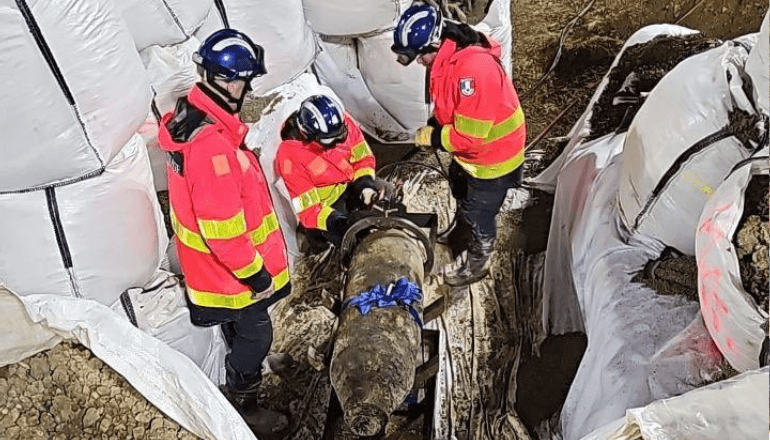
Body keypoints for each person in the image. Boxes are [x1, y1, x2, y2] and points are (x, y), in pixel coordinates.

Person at [157, 28, 290, 436]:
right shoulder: (211, 148)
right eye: (246, 82)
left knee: (243, 329)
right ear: (230, 83)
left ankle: (249, 365)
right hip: (230, 274)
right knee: (256, 332)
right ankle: (245, 402)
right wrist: (257, 274)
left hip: (216, 269)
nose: (248, 91)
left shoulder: (195, 121)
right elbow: (224, 231)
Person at [392, 1, 527, 287]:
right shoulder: (448, 57)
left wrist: (434, 138)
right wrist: (436, 124)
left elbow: (470, 138)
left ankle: (478, 261)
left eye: (420, 56)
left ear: (434, 43)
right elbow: (452, 106)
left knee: (479, 212)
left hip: (494, 160)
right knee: (460, 185)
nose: (419, 62)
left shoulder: (472, 71)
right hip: (475, 156)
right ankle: (461, 234)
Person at [275, 94, 387, 252]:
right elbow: (308, 210)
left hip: (350, 187)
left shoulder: (339, 123)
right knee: (354, 242)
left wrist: (365, 185)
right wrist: (336, 222)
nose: (337, 143)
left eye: (341, 135)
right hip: (326, 210)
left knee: (387, 196)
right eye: (330, 140)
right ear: (308, 135)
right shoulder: (290, 156)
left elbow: (363, 157)